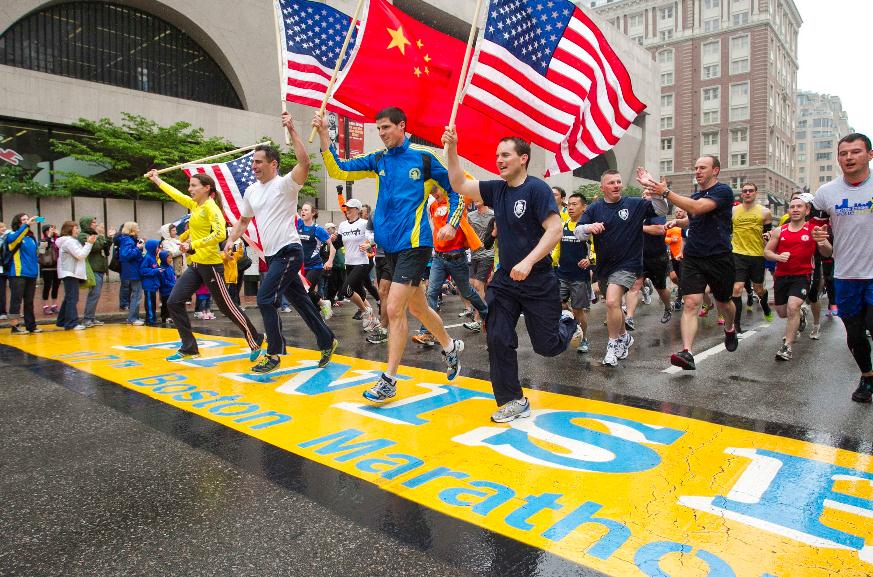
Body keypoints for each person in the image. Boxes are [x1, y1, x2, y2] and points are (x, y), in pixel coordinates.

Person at [315, 107, 463, 402]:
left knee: (393, 309)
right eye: (378, 129)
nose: (381, 134)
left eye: (386, 128)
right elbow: (338, 169)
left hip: (415, 244)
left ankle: (389, 379)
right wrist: (323, 136)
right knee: (418, 308)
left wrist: (451, 223)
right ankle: (450, 347)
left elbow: (457, 188)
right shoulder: (379, 160)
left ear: (402, 127)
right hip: (388, 248)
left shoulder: (423, 159)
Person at [443, 127, 578, 422]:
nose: (499, 160)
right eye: (497, 156)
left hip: (539, 279)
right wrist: (452, 148)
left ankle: (567, 322)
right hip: (505, 280)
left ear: (523, 158)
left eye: (505, 155)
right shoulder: (496, 189)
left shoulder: (537, 189)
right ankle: (513, 399)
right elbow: (457, 183)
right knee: (498, 336)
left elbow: (555, 229)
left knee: (547, 346)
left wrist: (529, 262)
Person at [225, 115, 337, 373]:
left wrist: (293, 129)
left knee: (265, 299)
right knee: (302, 302)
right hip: (273, 256)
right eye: (252, 162)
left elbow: (305, 162)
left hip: (289, 251)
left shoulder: (285, 185)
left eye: (258, 162)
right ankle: (327, 340)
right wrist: (231, 240)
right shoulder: (252, 191)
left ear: (273, 164)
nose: (253, 166)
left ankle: (274, 353)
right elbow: (243, 221)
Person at [146, 170, 265, 362]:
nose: (189, 188)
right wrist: (157, 180)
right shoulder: (195, 205)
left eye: (194, 185)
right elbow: (177, 195)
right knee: (174, 302)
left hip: (211, 265)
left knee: (227, 307)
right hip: (196, 265)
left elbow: (219, 235)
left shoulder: (211, 208)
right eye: (190, 185)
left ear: (206, 188)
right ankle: (189, 347)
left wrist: (193, 244)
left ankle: (255, 338)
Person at [638, 158, 739, 370]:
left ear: (715, 170)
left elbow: (698, 208)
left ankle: (730, 328)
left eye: (702, 168)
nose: (698, 171)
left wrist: (665, 192)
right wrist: (679, 222)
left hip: (719, 257)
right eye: (695, 168)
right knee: (691, 302)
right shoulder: (695, 194)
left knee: (723, 302)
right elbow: (694, 218)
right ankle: (687, 352)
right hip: (693, 256)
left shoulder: (723, 191)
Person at [576, 170, 669, 366]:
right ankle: (624, 336)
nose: (616, 185)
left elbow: (661, 210)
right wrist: (588, 228)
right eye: (611, 183)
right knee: (614, 305)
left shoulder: (634, 204)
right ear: (602, 188)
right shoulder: (594, 208)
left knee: (611, 302)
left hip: (628, 265)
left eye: (619, 181)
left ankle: (612, 346)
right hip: (605, 267)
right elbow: (578, 232)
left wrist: (654, 189)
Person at [811, 132, 873, 402]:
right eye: (843, 153)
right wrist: (822, 243)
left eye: (856, 152)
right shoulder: (826, 193)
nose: (849, 157)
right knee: (855, 334)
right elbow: (824, 244)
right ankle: (867, 377)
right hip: (846, 274)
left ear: (869, 155)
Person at [764, 196, 829, 361]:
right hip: (782, 276)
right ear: (788, 211)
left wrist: (822, 242)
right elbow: (767, 252)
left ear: (806, 210)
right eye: (792, 207)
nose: (795, 209)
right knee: (782, 312)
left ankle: (787, 347)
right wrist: (778, 257)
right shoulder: (780, 231)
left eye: (799, 206)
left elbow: (828, 253)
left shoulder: (813, 229)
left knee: (792, 307)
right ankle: (800, 314)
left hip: (803, 275)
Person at [730, 182, 774, 333]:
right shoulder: (734, 211)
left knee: (758, 288)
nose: (747, 193)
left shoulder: (764, 212)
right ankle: (736, 325)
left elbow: (769, 233)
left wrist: (767, 237)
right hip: (738, 253)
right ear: (741, 194)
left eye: (750, 191)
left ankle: (766, 305)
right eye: (745, 191)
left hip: (757, 255)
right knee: (736, 288)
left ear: (755, 193)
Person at [554, 192, 592, 353]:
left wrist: (590, 260)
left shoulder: (588, 229)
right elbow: (557, 248)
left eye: (575, 204)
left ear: (584, 207)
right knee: (556, 304)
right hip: (562, 273)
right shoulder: (563, 226)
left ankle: (584, 339)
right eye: (569, 204)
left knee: (578, 310)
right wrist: (551, 261)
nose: (570, 207)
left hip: (579, 277)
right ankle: (572, 326)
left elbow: (596, 249)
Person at [625, 213, 674, 327]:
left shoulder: (657, 213)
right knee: (634, 286)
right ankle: (629, 318)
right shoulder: (637, 214)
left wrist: (638, 227)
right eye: (643, 194)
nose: (644, 195)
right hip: (639, 258)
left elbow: (660, 229)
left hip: (657, 258)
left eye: (647, 194)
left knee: (660, 288)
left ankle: (667, 307)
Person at [55, 220, 96, 330]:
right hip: (70, 272)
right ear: (69, 229)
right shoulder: (69, 242)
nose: (77, 230)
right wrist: (89, 244)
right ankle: (71, 323)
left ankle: (62, 320)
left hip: (70, 272)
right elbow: (81, 255)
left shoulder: (70, 241)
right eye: (75, 228)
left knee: (69, 297)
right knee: (72, 298)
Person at [297, 202, 334, 321]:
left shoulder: (318, 229)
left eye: (306, 210)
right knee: (306, 291)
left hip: (315, 266)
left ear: (313, 213)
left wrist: (329, 261)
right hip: (301, 266)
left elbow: (332, 247)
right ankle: (323, 303)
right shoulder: (298, 225)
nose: (303, 212)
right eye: (302, 210)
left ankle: (318, 316)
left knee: (305, 290)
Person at [4, 213, 40, 334]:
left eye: (27, 219)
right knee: (16, 300)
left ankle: (31, 326)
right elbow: (14, 239)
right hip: (18, 273)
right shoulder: (12, 235)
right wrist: (26, 225)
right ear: (18, 223)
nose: (27, 221)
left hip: (32, 273)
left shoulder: (31, 238)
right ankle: (15, 327)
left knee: (29, 301)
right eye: (23, 220)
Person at [78, 216, 113, 327]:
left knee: (96, 294)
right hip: (93, 268)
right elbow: (96, 247)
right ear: (87, 224)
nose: (95, 224)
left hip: (100, 268)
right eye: (93, 222)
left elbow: (105, 247)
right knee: (94, 294)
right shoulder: (83, 236)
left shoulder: (94, 235)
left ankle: (91, 317)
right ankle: (87, 319)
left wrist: (109, 238)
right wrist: (101, 236)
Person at [139, 239, 163, 326]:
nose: (158, 248)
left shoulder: (154, 257)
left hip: (153, 284)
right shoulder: (148, 257)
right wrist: (155, 271)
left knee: (152, 302)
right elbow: (143, 270)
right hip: (148, 285)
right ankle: (150, 319)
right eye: (157, 246)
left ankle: (152, 318)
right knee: (149, 303)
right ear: (152, 248)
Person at [38, 224, 60, 315]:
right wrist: (48, 237)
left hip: (57, 266)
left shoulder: (56, 240)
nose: (51, 231)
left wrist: (58, 236)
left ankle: (54, 305)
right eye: (49, 230)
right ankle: (45, 306)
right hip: (47, 267)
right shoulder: (43, 240)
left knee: (56, 286)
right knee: (47, 286)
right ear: (45, 231)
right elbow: (41, 250)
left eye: (53, 229)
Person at [158, 250, 176, 325]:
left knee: (171, 304)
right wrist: (173, 285)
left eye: (171, 258)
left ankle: (170, 316)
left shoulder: (170, 267)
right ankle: (164, 317)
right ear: (164, 258)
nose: (171, 260)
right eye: (169, 258)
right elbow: (164, 281)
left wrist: (175, 283)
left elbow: (174, 277)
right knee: (165, 304)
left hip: (172, 289)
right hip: (165, 291)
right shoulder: (162, 268)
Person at [0, 221, 8, 320]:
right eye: (1, 227)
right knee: (1, 291)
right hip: (1, 268)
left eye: (4, 227)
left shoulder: (7, 238)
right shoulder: (3, 239)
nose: (4, 229)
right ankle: (2, 311)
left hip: (7, 268)